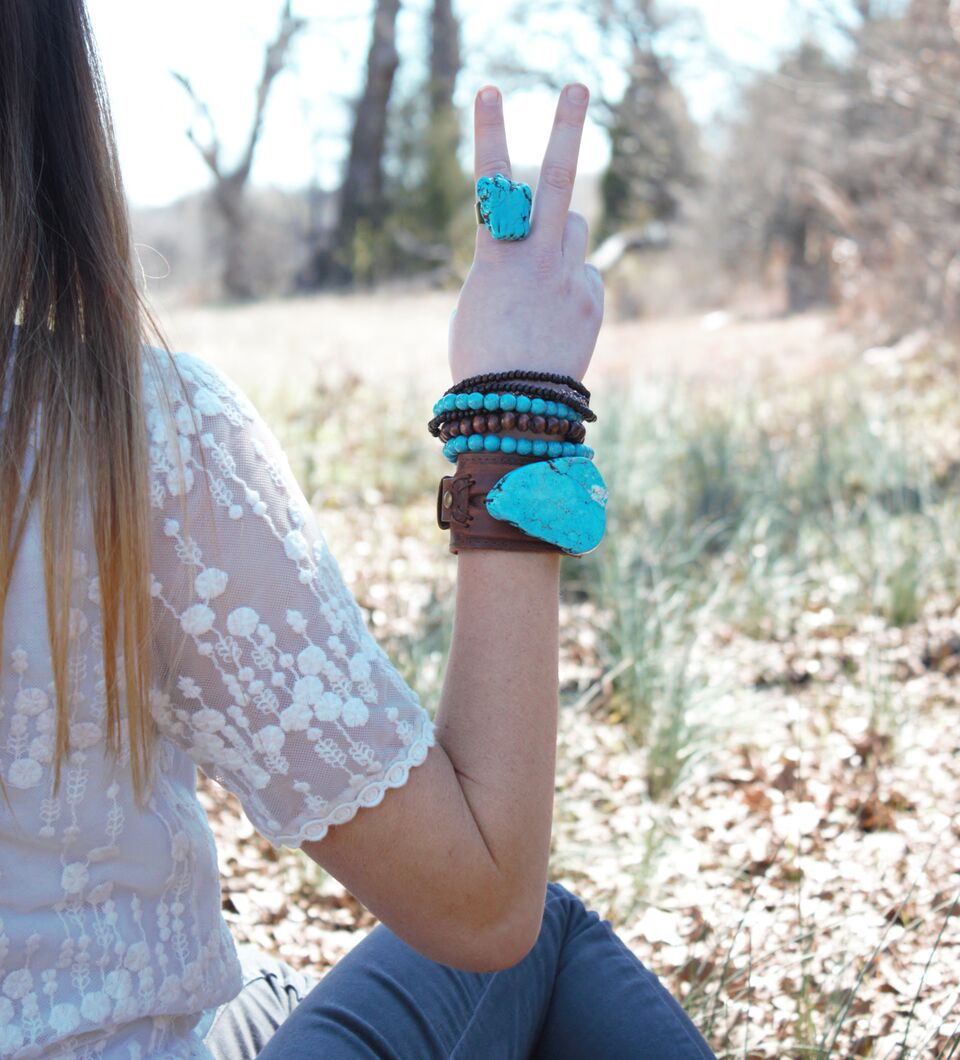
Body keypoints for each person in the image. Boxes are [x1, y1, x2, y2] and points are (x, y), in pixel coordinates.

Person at [0, 2, 717, 1057]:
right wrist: (516, 412)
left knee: (264, 991)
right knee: (540, 935)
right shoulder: (129, 439)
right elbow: (479, 904)